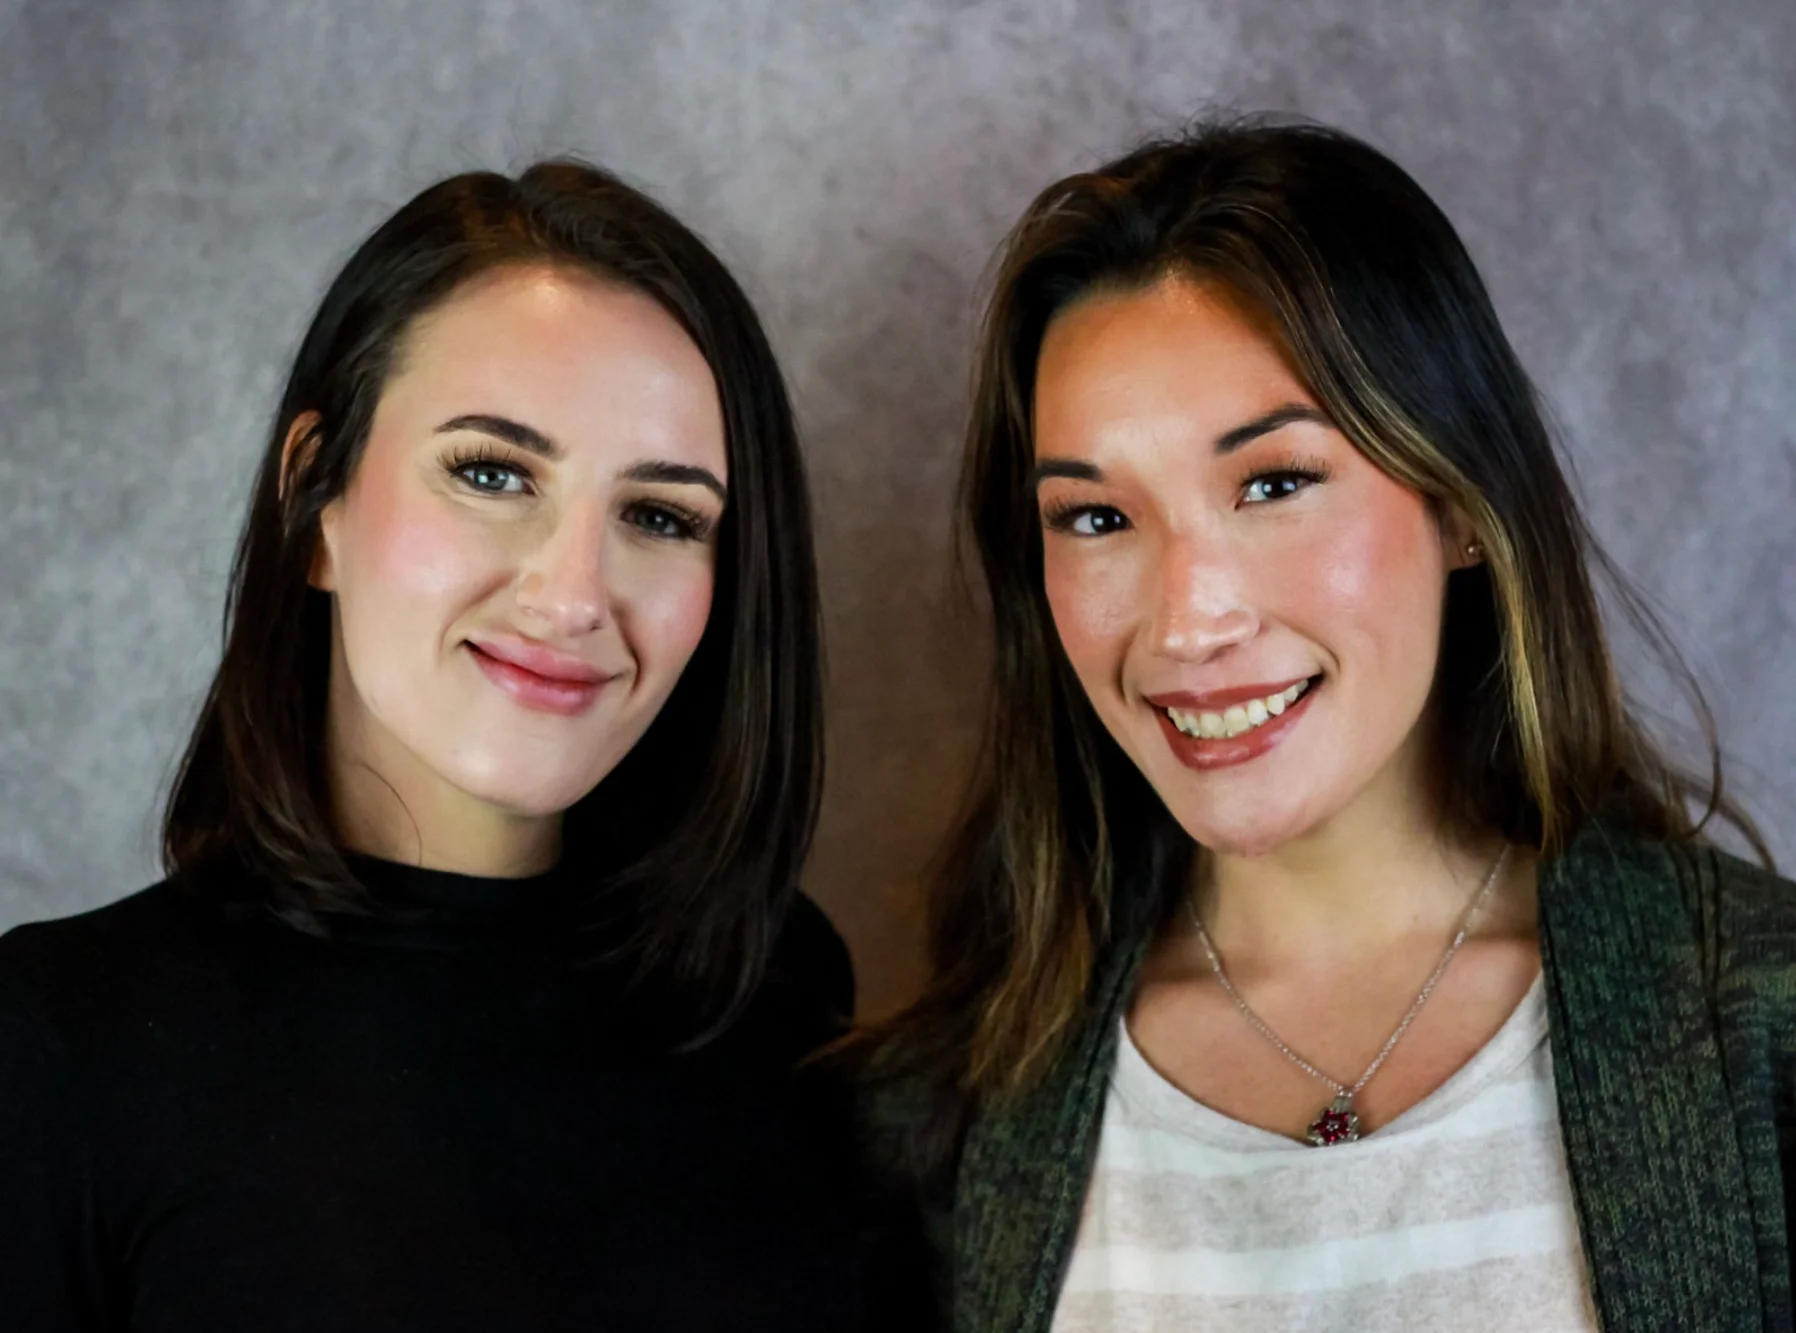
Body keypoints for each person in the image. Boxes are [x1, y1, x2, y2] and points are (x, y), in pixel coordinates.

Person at [869, 119, 1796, 1332]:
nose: (1187, 621)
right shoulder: (938, 1117)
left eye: (1272, 484)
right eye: (1095, 517)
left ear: (1461, 503)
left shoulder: (1761, 1025)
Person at [0, 160, 915, 1331]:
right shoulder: (60, 1054)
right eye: (492, 473)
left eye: (659, 515)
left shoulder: (773, 987)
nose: (572, 593)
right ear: (311, 500)